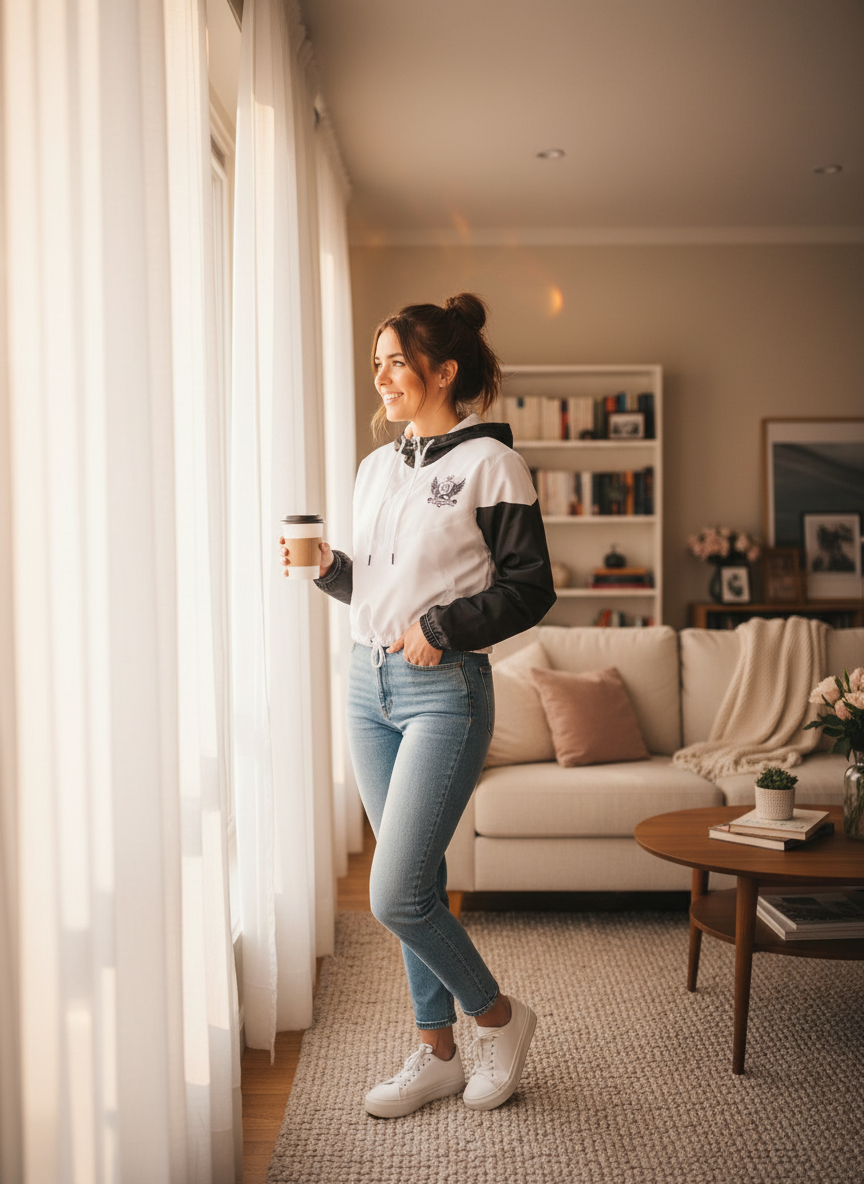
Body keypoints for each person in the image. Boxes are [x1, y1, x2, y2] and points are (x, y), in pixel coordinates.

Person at [279, 293, 556, 1118]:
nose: (382, 377)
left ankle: (500, 1020)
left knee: (394, 892)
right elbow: (379, 589)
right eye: (378, 363)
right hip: (366, 686)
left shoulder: (493, 465)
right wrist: (329, 568)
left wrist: (442, 625)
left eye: (396, 361)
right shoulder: (376, 468)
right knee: (419, 882)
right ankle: (437, 1052)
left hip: (446, 693)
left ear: (444, 370)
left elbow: (530, 588)